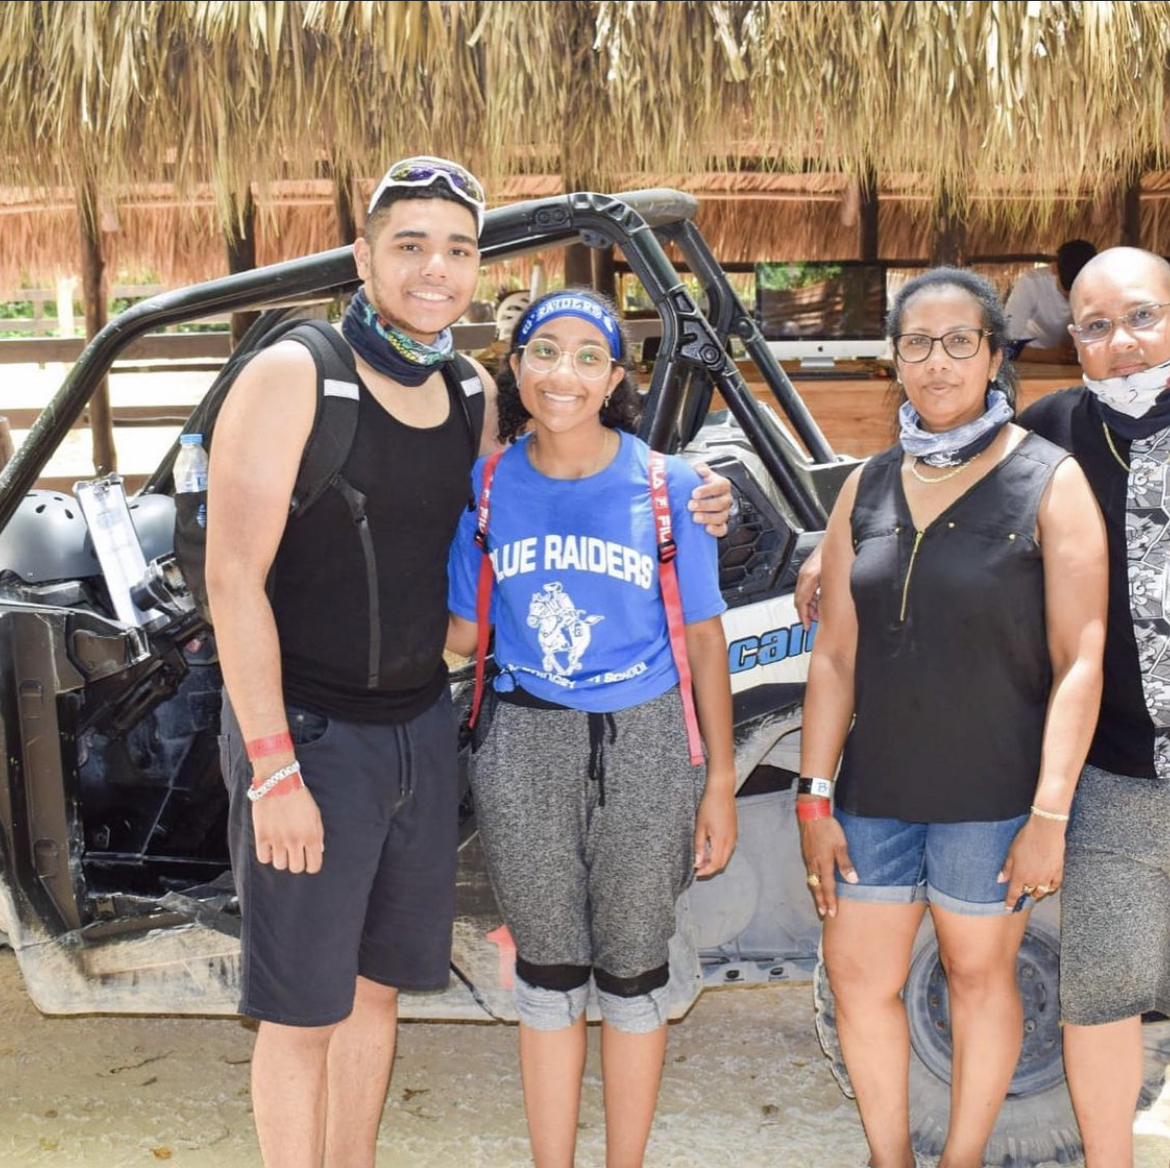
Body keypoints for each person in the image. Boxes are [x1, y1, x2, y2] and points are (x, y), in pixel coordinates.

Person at [204, 159, 734, 1168]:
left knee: (372, 992)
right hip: (309, 735)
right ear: (363, 257)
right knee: (302, 1007)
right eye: (409, 244)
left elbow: (504, 537)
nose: (434, 267)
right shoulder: (293, 370)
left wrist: (695, 497)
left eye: (456, 247)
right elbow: (231, 580)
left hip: (420, 729)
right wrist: (272, 766)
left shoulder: (461, 391)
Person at [797, 267, 1107, 1168]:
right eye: (917, 344)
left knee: (978, 978)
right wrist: (814, 798)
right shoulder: (869, 483)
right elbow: (837, 655)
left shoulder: (1050, 482)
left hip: (995, 791)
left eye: (959, 342)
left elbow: (1080, 659)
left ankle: (960, 1158)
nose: (937, 363)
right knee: (860, 983)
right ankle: (890, 1157)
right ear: (896, 360)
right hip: (875, 791)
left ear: (995, 356)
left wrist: (1050, 814)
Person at [446, 288, 738, 1168]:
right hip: (525, 741)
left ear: (616, 376)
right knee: (547, 971)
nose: (561, 372)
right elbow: (462, 632)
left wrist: (718, 777)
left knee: (635, 970)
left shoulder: (673, 486)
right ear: (516, 364)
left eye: (587, 356)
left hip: (647, 739)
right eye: (544, 350)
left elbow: (703, 635)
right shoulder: (488, 484)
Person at [1017, 246, 1170, 1168]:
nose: (1123, 344)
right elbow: (928, 489)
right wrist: (823, 559)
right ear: (1072, 340)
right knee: (1104, 990)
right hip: (1113, 774)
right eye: (1098, 327)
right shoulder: (1050, 432)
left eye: (1143, 318)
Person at [1004, 239, 1097, 363]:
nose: (1072, 300)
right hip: (1030, 356)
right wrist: (1047, 356)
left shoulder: (1101, 288)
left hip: (1071, 362)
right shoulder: (1032, 283)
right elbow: (1003, 346)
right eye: (1067, 295)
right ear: (1054, 269)